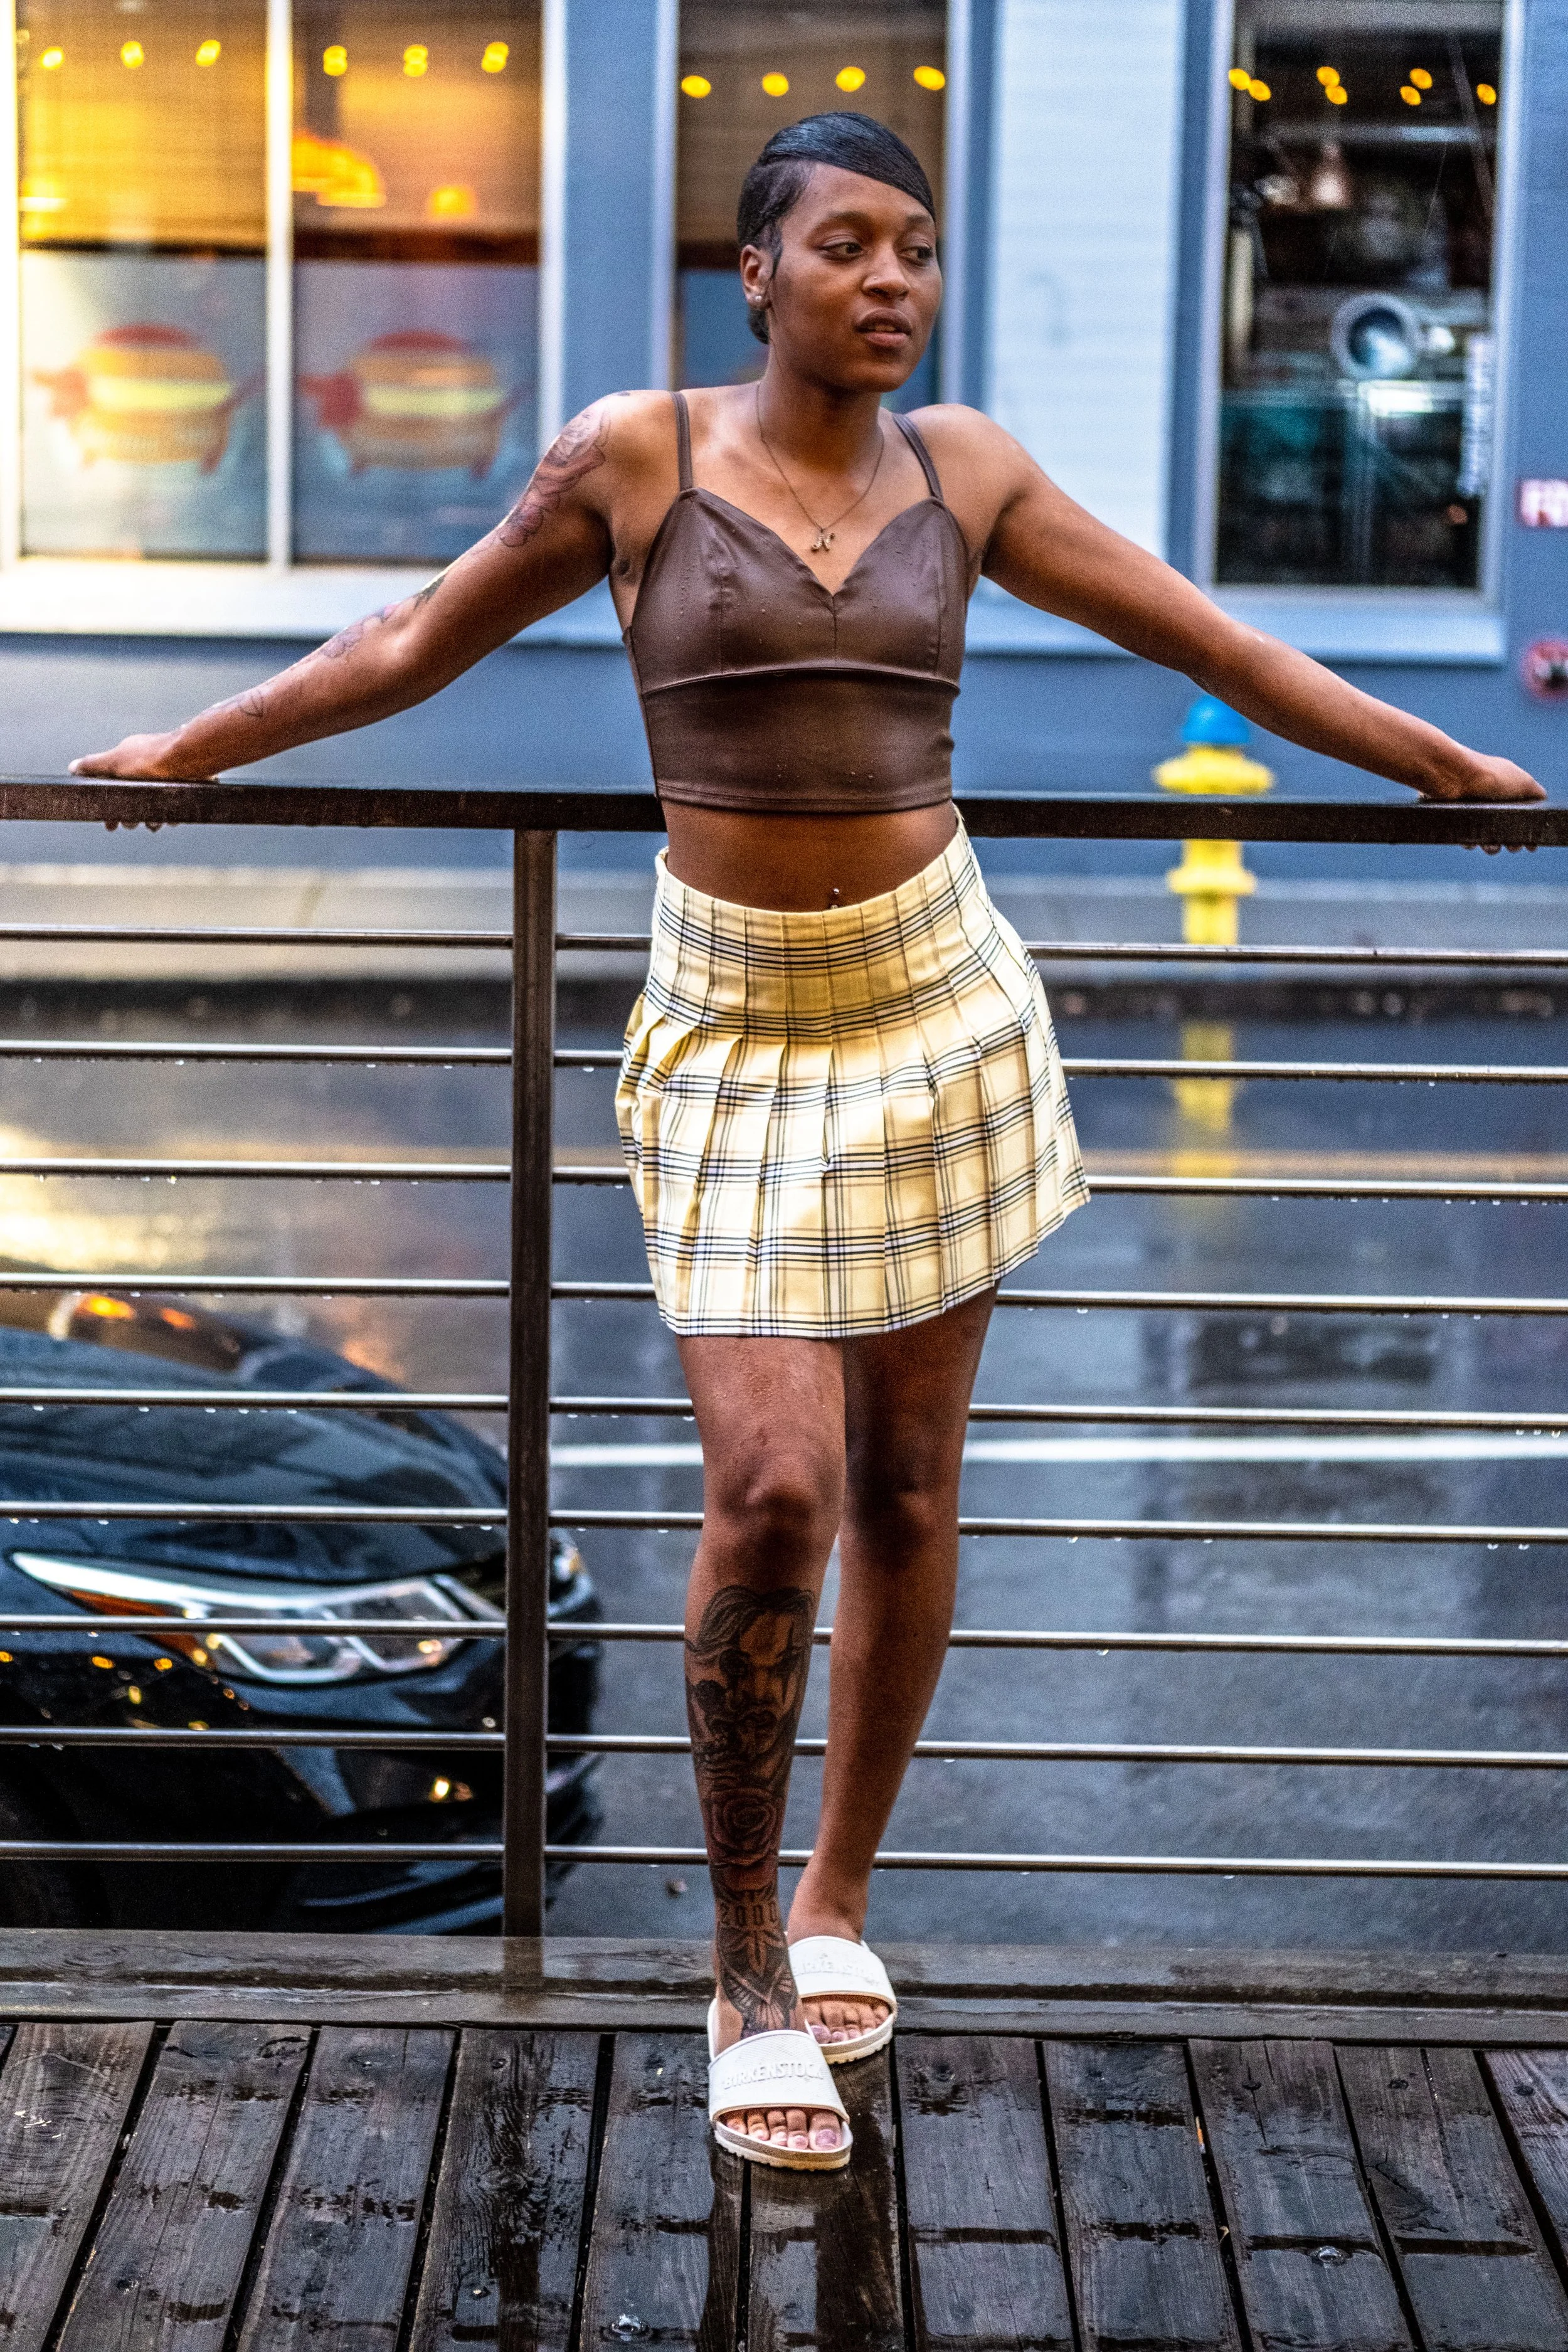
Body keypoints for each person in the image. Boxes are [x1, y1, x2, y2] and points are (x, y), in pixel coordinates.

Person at [75, 111, 1544, 2173]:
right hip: (736, 1026)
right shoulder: (633, 454)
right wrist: (194, 744)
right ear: (751, 275)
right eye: (845, 245)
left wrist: (1447, 761)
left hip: (938, 1005)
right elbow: (413, 639)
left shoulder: (975, 471)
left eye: (915, 251)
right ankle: (743, 1960)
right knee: (771, 1492)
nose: (890, 281)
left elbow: (1207, 644)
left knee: (913, 1493)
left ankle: (844, 1893)